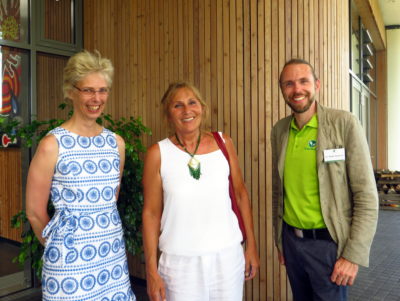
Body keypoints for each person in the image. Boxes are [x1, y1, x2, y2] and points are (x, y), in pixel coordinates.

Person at [26, 50, 135, 300]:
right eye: (88, 90)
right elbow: (34, 212)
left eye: (102, 90)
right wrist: (60, 246)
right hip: (70, 264)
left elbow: (110, 199)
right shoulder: (52, 144)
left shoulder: (115, 143)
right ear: (71, 91)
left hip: (111, 258)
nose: (96, 98)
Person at [271, 58, 379, 300]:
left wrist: (352, 255)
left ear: (317, 85)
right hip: (292, 243)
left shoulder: (344, 124)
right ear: (282, 90)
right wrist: (280, 240)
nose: (296, 89)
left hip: (329, 246)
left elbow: (366, 196)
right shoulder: (279, 131)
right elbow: (278, 191)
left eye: (303, 81)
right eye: (288, 84)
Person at [142, 81, 259, 301]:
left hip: (227, 258)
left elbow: (241, 194)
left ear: (202, 108)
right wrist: (151, 270)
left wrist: (251, 245)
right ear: (168, 115)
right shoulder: (158, 154)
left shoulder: (224, 142)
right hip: (180, 265)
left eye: (192, 102)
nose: (187, 111)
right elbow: (150, 213)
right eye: (177, 105)